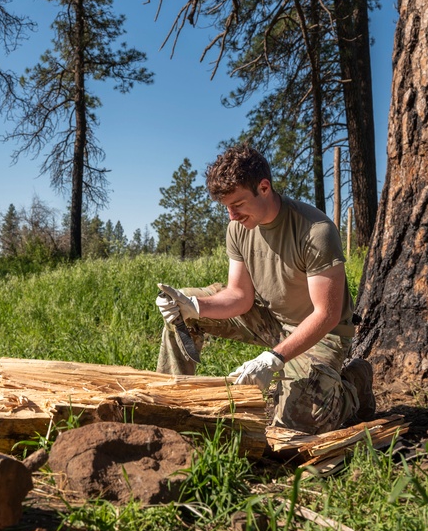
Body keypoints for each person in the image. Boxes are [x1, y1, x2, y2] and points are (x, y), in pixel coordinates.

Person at [155, 143, 375, 434]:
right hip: (270, 320)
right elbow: (239, 296)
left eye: (238, 205)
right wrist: (193, 307)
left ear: (264, 187)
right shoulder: (238, 228)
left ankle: (354, 386)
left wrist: (274, 357)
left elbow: (327, 315)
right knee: (180, 309)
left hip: (321, 333)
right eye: (226, 208)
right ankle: (167, 406)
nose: (231, 216)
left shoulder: (315, 231)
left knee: (297, 422)